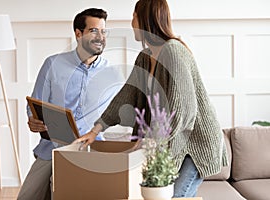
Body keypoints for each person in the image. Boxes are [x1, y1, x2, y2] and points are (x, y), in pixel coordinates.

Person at [76, 0, 228, 198]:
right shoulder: (145, 57)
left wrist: (149, 143)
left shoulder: (173, 52)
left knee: (176, 197)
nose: (132, 23)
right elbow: (126, 95)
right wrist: (96, 130)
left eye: (134, 17)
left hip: (195, 144)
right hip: (171, 143)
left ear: (147, 20)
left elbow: (183, 110)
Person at [17, 8, 124, 200]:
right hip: (53, 148)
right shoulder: (53, 64)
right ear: (78, 33)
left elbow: (121, 113)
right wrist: (33, 119)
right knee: (27, 196)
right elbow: (35, 104)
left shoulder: (112, 74)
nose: (100, 37)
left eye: (103, 31)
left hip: (93, 149)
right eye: (94, 31)